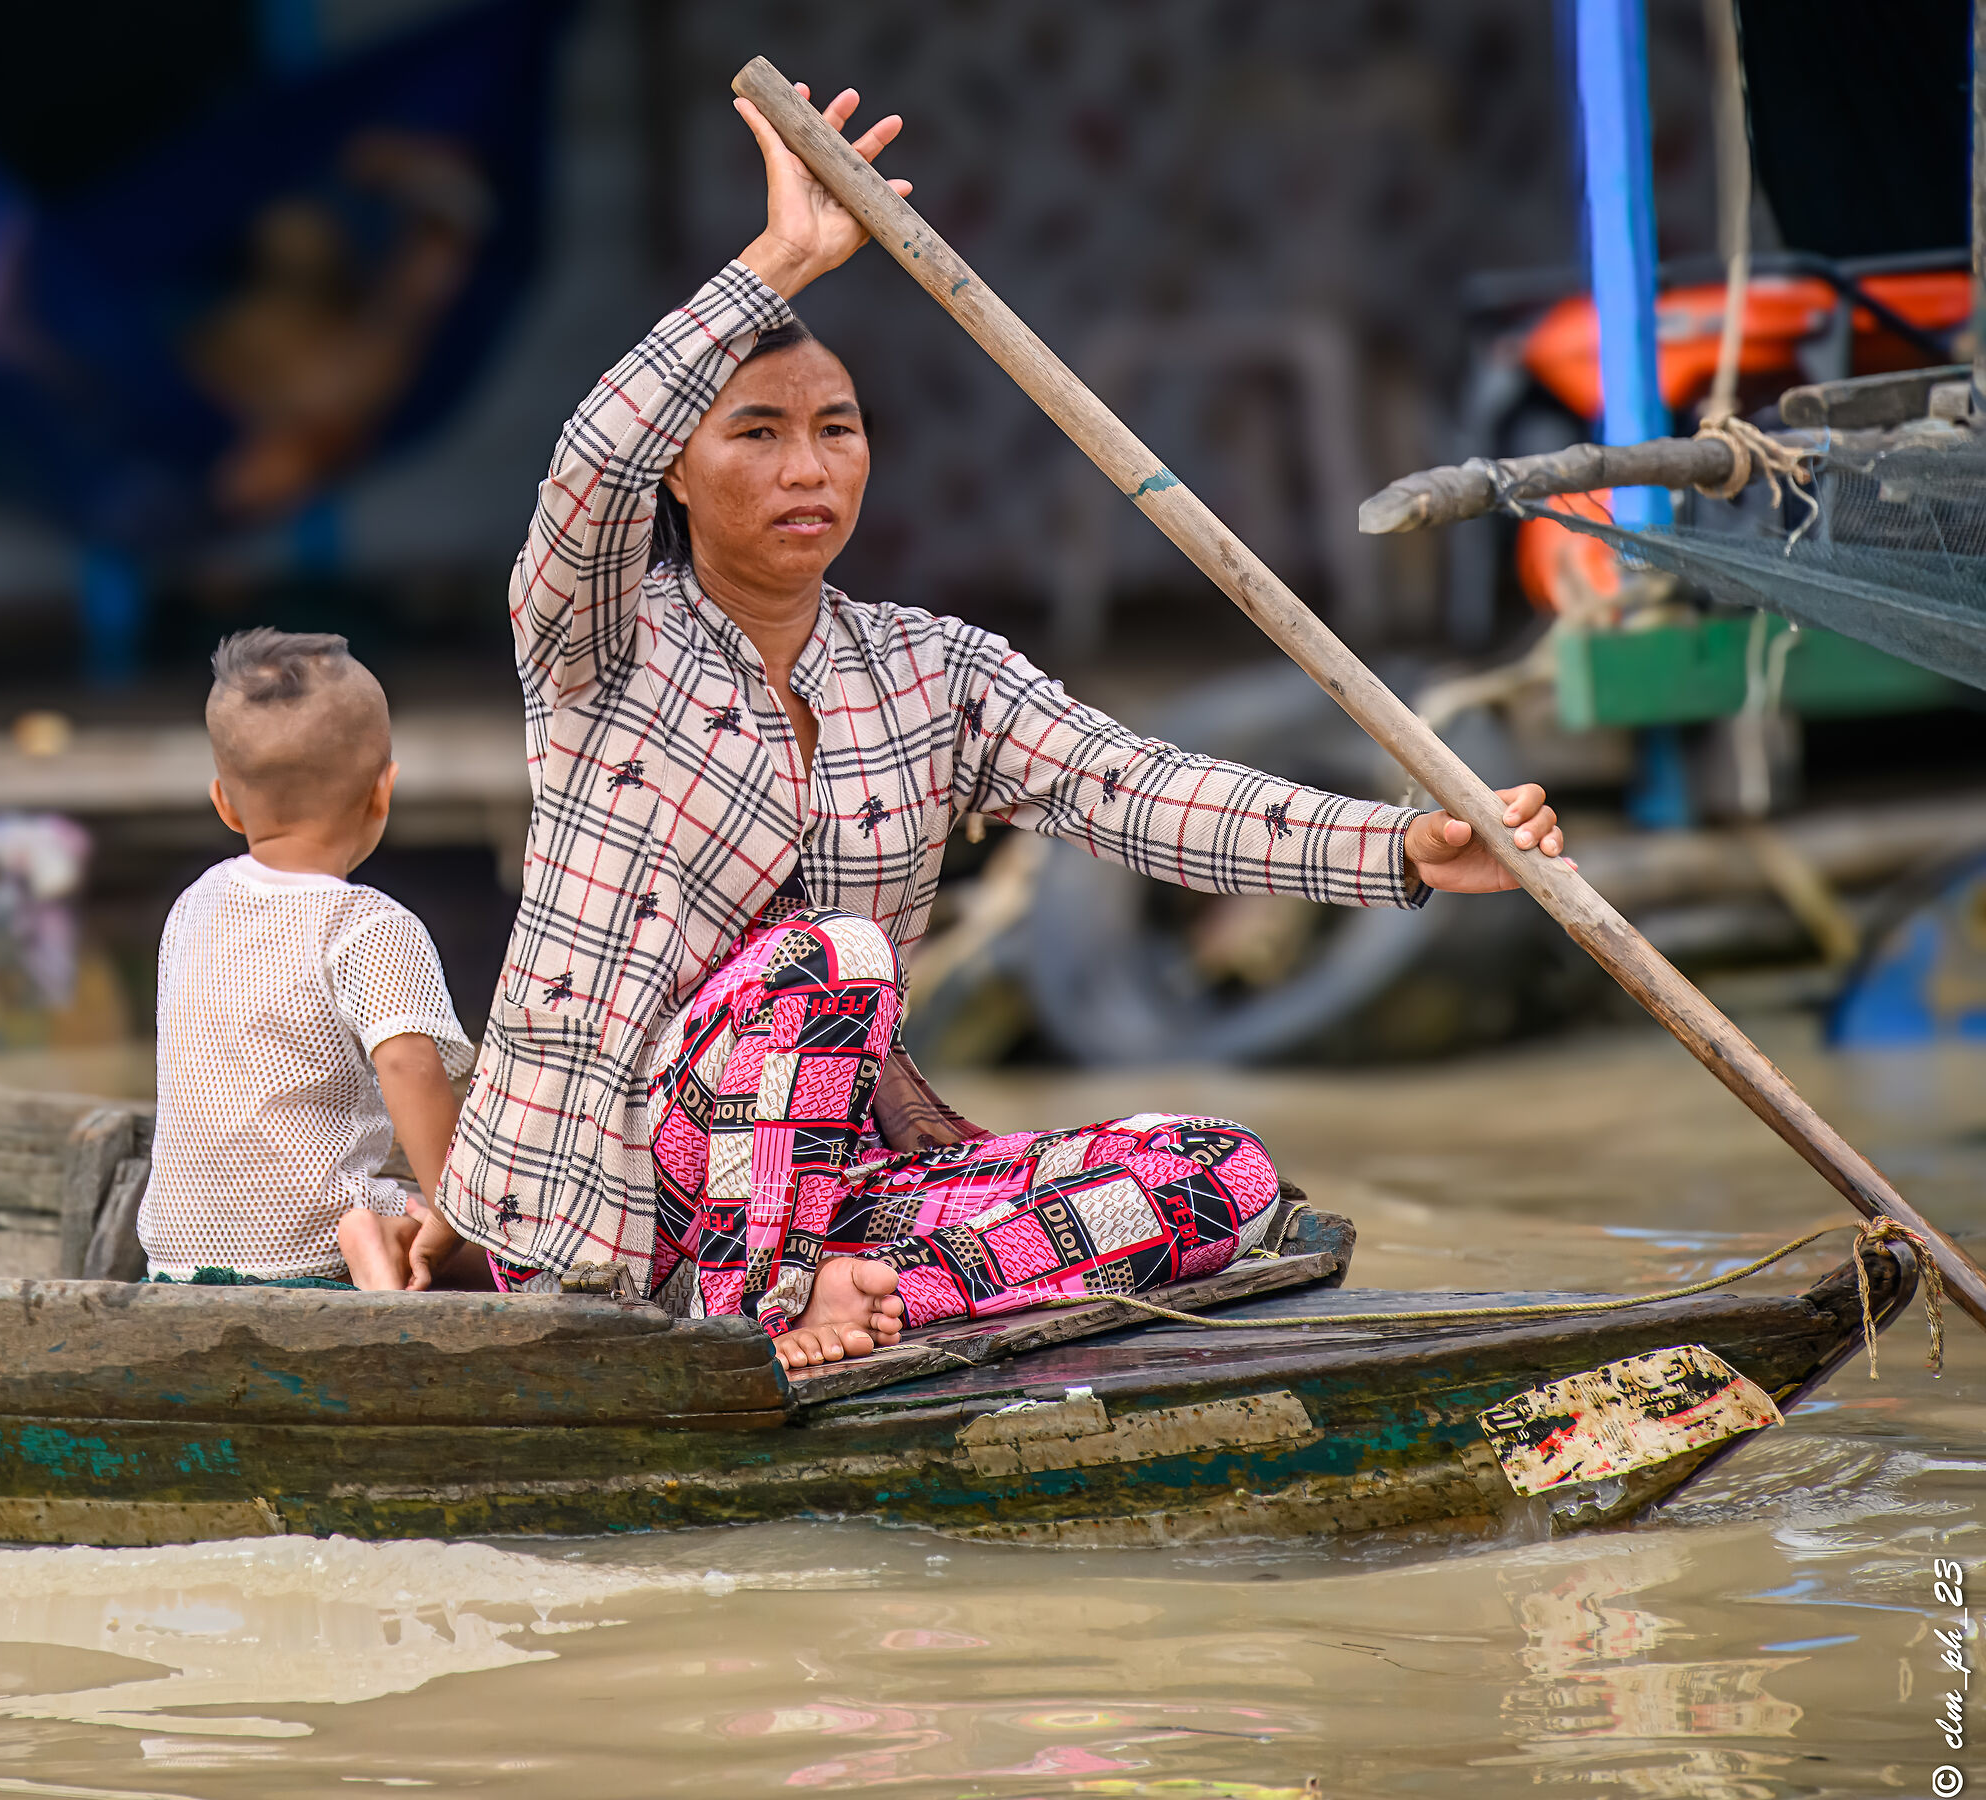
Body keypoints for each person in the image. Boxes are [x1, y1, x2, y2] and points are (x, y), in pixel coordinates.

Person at [425, 86, 1564, 1366]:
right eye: (760, 434)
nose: (809, 468)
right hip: (601, 1206)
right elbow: (589, 457)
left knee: (1215, 1177)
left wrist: (1401, 846)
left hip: (823, 1196)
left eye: (836, 431)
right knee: (835, 959)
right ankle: (757, 1317)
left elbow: (1130, 788)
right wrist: (782, 261)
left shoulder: (928, 670)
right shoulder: (604, 639)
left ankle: (860, 1295)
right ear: (678, 474)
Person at [137, 628, 478, 1291]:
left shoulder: (191, 907)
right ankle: (378, 1238)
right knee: (508, 1254)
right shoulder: (366, 925)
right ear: (384, 792)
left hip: (174, 1260)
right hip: (312, 1246)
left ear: (224, 803)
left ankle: (378, 1237)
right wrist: (450, 1209)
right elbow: (409, 1064)